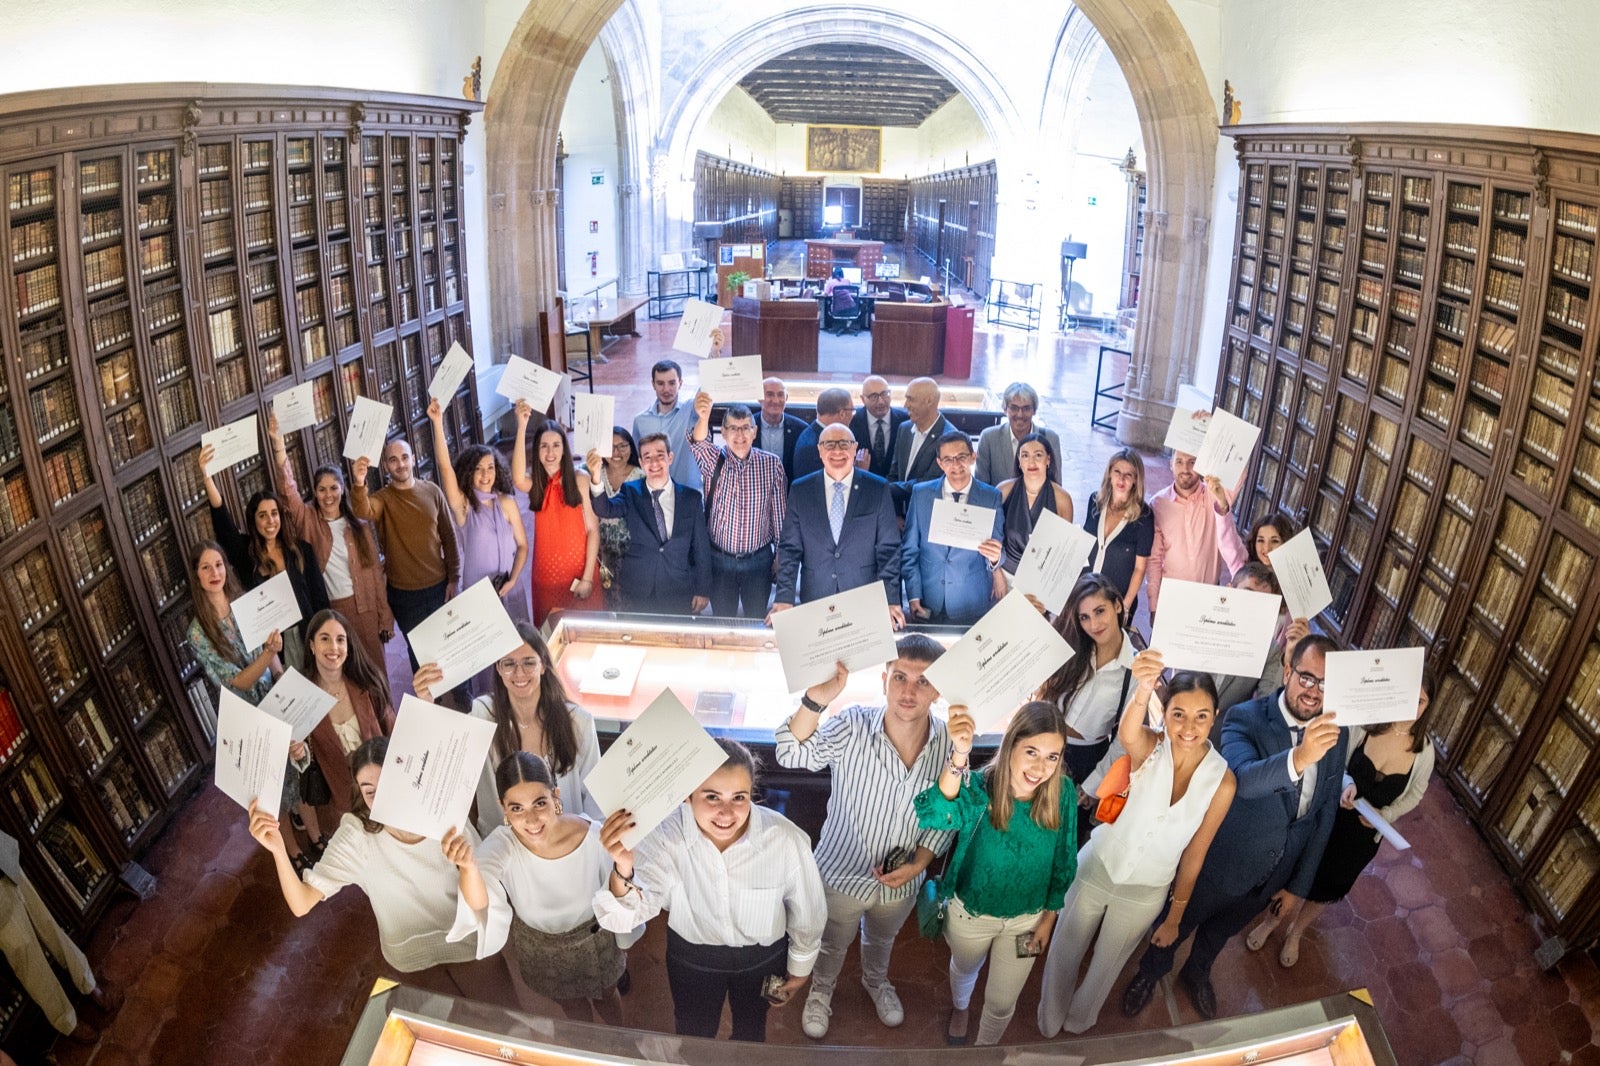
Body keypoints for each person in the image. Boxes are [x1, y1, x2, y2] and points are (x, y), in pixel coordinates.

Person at [1122, 635, 1345, 1021]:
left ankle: (1198, 973)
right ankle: (1150, 972)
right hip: (1220, 864)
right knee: (1176, 925)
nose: (1313, 692)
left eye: (1325, 684)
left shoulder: (1336, 733)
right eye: (1307, 677)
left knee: (1219, 934)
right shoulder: (1246, 717)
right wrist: (1301, 756)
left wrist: (1297, 886)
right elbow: (1244, 780)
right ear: (1288, 669)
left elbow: (1323, 815)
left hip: (1272, 875)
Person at [1037, 656, 1235, 1035]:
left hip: (1147, 891)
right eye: (1178, 714)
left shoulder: (1223, 780)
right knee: (1065, 951)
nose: (1188, 727)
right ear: (1165, 713)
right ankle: (1049, 1020)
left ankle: (1079, 1022)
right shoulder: (1150, 745)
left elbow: (1195, 854)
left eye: (1201, 716)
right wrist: (1144, 688)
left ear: (1215, 714)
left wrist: (1174, 918)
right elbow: (1128, 734)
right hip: (1098, 867)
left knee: (1107, 965)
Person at [773, 635, 956, 1040]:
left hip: (904, 878)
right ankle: (821, 990)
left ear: (938, 688)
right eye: (900, 677)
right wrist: (815, 701)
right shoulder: (853, 724)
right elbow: (790, 753)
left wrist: (921, 863)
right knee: (831, 944)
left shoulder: (948, 742)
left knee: (882, 940)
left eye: (923, 681)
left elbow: (946, 815)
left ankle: (877, 981)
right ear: (884, 679)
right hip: (840, 874)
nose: (909, 691)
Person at [596, 739, 827, 1043]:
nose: (726, 813)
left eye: (739, 797)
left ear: (752, 794)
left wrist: (799, 969)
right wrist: (623, 867)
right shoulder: (664, 837)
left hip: (763, 959)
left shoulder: (785, 840)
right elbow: (622, 921)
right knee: (693, 1032)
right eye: (712, 797)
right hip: (692, 958)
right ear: (688, 796)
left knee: (753, 1026)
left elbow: (807, 911)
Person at [246, 738, 511, 1003]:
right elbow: (301, 903)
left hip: (470, 944)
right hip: (410, 957)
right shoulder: (356, 837)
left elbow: (480, 900)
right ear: (360, 794)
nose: (383, 798)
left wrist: (468, 868)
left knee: (503, 1019)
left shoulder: (443, 817)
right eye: (370, 791)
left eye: (389, 784)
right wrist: (279, 850)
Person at [1244, 672, 1435, 967]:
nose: (1412, 705)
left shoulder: (1425, 751)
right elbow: (1336, 759)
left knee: (1329, 886)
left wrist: (1388, 815)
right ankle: (1273, 921)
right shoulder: (1366, 723)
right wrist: (1346, 781)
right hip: (1328, 818)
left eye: (1420, 700)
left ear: (1428, 705)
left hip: (1361, 837)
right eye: (1407, 694)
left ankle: (1297, 931)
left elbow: (1416, 794)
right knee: (1296, 872)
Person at [915, 701, 1077, 1046]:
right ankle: (961, 1007)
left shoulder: (1061, 793)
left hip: (1029, 920)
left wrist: (1049, 918)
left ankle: (985, 1051)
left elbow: (1064, 860)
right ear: (1011, 745)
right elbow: (938, 812)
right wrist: (960, 753)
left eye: (1052, 756)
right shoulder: (979, 788)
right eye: (1031, 751)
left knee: (1003, 1002)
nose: (1040, 767)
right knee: (964, 967)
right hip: (970, 915)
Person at [449, 752, 625, 1024]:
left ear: (555, 797)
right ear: (503, 808)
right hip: (541, 947)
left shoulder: (592, 837)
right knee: (572, 1005)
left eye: (539, 803)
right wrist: (469, 869)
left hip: (593, 938)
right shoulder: (503, 844)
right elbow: (480, 902)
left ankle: (621, 1042)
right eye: (516, 808)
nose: (530, 821)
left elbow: (618, 890)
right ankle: (589, 1043)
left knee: (607, 994)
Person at [185, 540, 319, 870]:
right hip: (246, 713)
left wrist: (282, 679)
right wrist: (269, 654)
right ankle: (292, 851)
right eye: (205, 567)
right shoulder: (198, 633)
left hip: (272, 698)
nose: (214, 572)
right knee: (271, 787)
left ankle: (317, 837)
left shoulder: (245, 604)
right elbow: (236, 682)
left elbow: (270, 656)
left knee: (297, 765)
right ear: (197, 577)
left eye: (218, 564)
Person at [413, 622, 602, 838]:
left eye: (529, 662)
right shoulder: (482, 715)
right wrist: (425, 702)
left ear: (544, 665)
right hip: (504, 847)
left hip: (566, 844)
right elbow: (438, 756)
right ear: (498, 669)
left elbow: (596, 801)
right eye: (509, 664)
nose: (519, 673)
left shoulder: (578, 721)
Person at [268, 414, 393, 669]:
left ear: (343, 489)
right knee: (348, 674)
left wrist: (384, 615)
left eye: (334, 488)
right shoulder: (308, 520)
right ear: (314, 492)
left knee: (377, 670)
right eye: (322, 489)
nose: (328, 495)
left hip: (367, 608)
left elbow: (374, 572)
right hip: (335, 612)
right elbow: (288, 491)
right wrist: (279, 446)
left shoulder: (357, 522)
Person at [200, 442, 330, 671]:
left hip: (310, 637)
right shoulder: (245, 553)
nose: (270, 521)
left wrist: (325, 637)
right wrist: (207, 478)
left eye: (274, 514)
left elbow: (320, 599)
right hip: (274, 651)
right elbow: (223, 522)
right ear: (254, 521)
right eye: (263, 516)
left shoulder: (301, 550)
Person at [773, 422, 902, 627]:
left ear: (855, 448)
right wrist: (784, 597)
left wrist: (890, 598)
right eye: (829, 444)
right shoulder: (800, 490)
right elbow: (789, 549)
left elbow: (889, 549)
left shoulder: (877, 488)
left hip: (862, 597)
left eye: (844, 443)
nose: (837, 451)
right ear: (819, 450)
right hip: (816, 597)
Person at [350, 437, 461, 671]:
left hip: (439, 585)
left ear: (412, 459)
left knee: (451, 643)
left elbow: (450, 537)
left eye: (404, 457)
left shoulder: (432, 491)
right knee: (419, 651)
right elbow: (362, 509)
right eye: (393, 460)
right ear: (386, 466)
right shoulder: (383, 499)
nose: (400, 464)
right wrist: (359, 482)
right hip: (404, 594)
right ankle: (431, 702)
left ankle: (462, 696)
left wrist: (454, 578)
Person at [0, 829, 120, 1045]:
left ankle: (88, 983)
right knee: (30, 963)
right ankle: (67, 1021)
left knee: (50, 927)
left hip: (4, 861)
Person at [428, 397, 530, 634]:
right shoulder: (464, 506)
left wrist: (513, 579)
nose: (486, 475)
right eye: (478, 469)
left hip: (511, 588)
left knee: (516, 650)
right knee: (486, 662)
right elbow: (445, 468)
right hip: (479, 595)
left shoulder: (506, 502)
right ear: (468, 473)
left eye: (491, 468)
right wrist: (437, 422)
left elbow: (523, 545)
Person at [586, 433, 711, 615]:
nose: (654, 463)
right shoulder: (630, 491)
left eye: (660, 456)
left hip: (679, 589)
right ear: (641, 462)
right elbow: (605, 509)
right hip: (639, 588)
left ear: (670, 457)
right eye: (647, 458)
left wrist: (703, 589)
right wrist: (596, 477)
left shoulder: (691, 499)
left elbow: (701, 548)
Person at [1037, 574, 1139, 794]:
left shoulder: (1134, 670)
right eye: (1084, 617)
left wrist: (1095, 786)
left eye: (1100, 611)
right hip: (1044, 744)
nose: (1093, 624)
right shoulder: (1072, 645)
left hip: (1088, 760)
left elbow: (1123, 741)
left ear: (1118, 606)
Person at [688, 394, 786, 618]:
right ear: (723, 433)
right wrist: (704, 415)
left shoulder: (772, 464)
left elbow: (780, 515)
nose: (739, 434)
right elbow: (699, 442)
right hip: (720, 560)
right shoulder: (713, 460)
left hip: (759, 560)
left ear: (754, 431)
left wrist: (780, 554)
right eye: (733, 428)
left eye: (745, 428)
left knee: (756, 618)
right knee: (723, 620)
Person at [901, 431, 1005, 625]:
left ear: (973, 457)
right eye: (948, 459)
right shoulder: (921, 494)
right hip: (928, 599)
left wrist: (995, 558)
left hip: (971, 600)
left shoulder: (991, 497)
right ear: (940, 463)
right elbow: (909, 551)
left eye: (961, 457)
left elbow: (999, 548)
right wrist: (914, 595)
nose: (956, 465)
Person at [514, 405, 600, 624]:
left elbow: (592, 529)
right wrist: (522, 425)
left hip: (580, 573)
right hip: (546, 578)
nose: (550, 453)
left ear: (564, 449)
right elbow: (517, 478)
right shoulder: (536, 484)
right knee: (551, 638)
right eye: (543, 446)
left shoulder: (580, 479)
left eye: (555, 445)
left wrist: (588, 578)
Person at [303, 609, 393, 818]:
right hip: (343, 796)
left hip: (382, 786)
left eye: (340, 640)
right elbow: (304, 753)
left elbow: (391, 729)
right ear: (312, 646)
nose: (334, 647)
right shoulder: (303, 698)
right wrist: (299, 753)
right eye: (324, 638)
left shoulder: (368, 685)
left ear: (348, 647)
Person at [1145, 450, 1248, 621]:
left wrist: (1208, 425)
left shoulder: (1215, 493)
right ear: (1171, 465)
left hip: (1208, 597)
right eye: (1179, 462)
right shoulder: (1158, 504)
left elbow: (1240, 466)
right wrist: (1154, 604)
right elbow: (1154, 559)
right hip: (1172, 597)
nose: (1185, 468)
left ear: (1201, 465)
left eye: (1192, 462)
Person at [1211, 564, 1309, 719]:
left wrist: (1290, 653)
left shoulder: (1269, 650)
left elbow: (1268, 704)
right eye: (1247, 594)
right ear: (1229, 590)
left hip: (1222, 736)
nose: (1251, 605)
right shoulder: (1202, 622)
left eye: (1261, 602)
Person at [1082, 448, 1156, 614]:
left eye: (1128, 474)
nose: (1121, 478)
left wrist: (1125, 606)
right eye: (1117, 471)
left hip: (1115, 601)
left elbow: (1140, 568)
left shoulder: (1144, 516)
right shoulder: (1095, 501)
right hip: (1085, 592)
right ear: (1109, 473)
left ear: (1136, 479)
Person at [997, 434, 1076, 578]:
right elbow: (992, 538)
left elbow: (1063, 550)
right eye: (1025, 456)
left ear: (1048, 460)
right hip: (1005, 575)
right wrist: (996, 575)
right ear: (1019, 462)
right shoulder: (1004, 490)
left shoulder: (1062, 499)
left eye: (1038, 455)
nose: (1031, 462)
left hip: (1042, 579)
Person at [632, 358, 702, 493]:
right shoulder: (640, 421)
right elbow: (636, 462)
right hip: (655, 495)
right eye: (660, 383)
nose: (666, 389)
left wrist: (715, 353)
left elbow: (706, 390)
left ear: (680, 383)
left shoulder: (691, 410)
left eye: (672, 383)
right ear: (653, 384)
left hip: (688, 493)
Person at [975, 382, 1063, 487]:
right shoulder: (988, 438)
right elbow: (981, 486)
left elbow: (1056, 485)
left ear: (1034, 410)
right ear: (1005, 409)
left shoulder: (1050, 439)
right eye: (1014, 408)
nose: (1020, 415)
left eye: (1026, 408)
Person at [595, 427, 644, 609]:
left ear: (631, 447)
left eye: (622, 446)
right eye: (610, 447)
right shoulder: (594, 473)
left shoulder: (642, 475)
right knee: (605, 600)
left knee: (630, 601)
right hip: (600, 552)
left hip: (631, 552)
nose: (616, 452)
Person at [889, 377, 954, 512]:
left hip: (927, 519)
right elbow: (894, 474)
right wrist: (895, 514)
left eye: (911, 399)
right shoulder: (904, 429)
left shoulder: (949, 439)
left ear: (929, 401)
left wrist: (881, 488)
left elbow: (926, 485)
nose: (905, 405)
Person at [792, 387, 861, 482]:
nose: (853, 415)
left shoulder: (811, 434)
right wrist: (859, 471)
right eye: (852, 411)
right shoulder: (811, 448)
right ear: (842, 414)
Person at [849, 375, 908, 479]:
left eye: (884, 394)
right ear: (863, 399)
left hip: (898, 490)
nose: (881, 401)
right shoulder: (852, 423)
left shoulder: (905, 421)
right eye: (874, 396)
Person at [756, 376, 808, 484]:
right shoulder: (746, 427)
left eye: (780, 395)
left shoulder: (802, 430)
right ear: (759, 398)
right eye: (769, 394)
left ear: (787, 398)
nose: (775, 400)